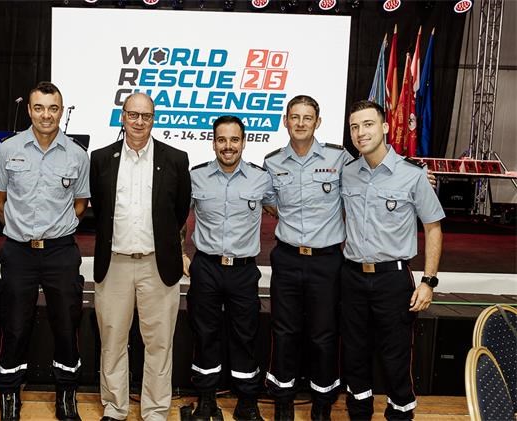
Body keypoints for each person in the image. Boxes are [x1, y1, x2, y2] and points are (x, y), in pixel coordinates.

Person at [0, 81, 90, 421]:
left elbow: (80, 204)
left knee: (66, 324)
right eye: (39, 108)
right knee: (14, 325)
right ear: (30, 111)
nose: (46, 115)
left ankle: (66, 395)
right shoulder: (6, 150)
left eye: (52, 108)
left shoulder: (77, 155)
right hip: (19, 252)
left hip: (61, 252)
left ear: (61, 111)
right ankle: (9, 395)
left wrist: (55, 228)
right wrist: (21, 229)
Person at [89, 92, 191, 421]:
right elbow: (100, 209)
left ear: (153, 119)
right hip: (114, 264)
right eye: (133, 115)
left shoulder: (175, 159)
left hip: (157, 264)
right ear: (122, 116)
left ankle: (156, 410)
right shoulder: (101, 159)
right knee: (113, 340)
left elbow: (179, 211)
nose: (139, 122)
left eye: (146, 116)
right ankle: (114, 407)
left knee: (159, 343)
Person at [340, 100, 443, 421]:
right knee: (354, 354)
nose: (360, 132)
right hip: (352, 277)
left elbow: (433, 228)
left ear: (385, 127)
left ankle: (399, 415)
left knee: (395, 357)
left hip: (392, 280)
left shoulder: (413, 175)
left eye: (368, 124)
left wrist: (428, 282)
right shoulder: (347, 173)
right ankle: (359, 414)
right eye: (354, 127)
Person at [262, 95, 350, 420]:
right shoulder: (272, 162)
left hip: (326, 262)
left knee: (324, 334)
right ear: (285, 121)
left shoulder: (338, 158)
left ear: (318, 122)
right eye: (295, 117)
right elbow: (270, 202)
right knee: (284, 332)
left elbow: (367, 180)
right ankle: (283, 401)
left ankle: (322, 404)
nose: (300, 123)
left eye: (307, 117)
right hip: (287, 259)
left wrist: (417, 172)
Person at [183, 116, 268, 421]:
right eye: (221, 140)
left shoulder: (262, 178)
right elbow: (179, 218)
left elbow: (280, 208)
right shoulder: (196, 177)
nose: (227, 146)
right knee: (204, 334)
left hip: (243, 270)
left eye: (234, 140)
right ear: (213, 142)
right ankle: (206, 400)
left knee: (245, 336)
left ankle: (247, 402)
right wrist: (180, 253)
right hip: (206, 268)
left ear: (244, 142)